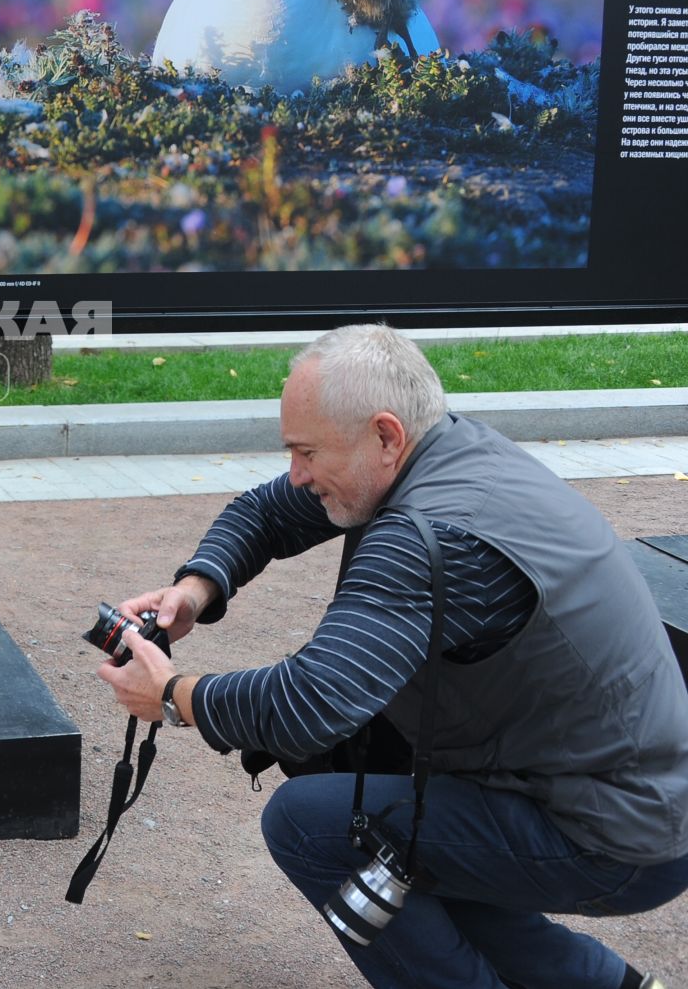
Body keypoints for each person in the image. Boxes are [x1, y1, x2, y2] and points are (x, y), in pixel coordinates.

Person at [98, 323, 688, 989]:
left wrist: (174, 693)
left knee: (314, 826)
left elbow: (307, 705)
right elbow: (267, 511)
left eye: (306, 451)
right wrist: (195, 588)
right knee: (410, 836)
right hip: (633, 790)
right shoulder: (449, 452)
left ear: (385, 434)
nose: (296, 473)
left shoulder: (426, 535)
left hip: (619, 834)